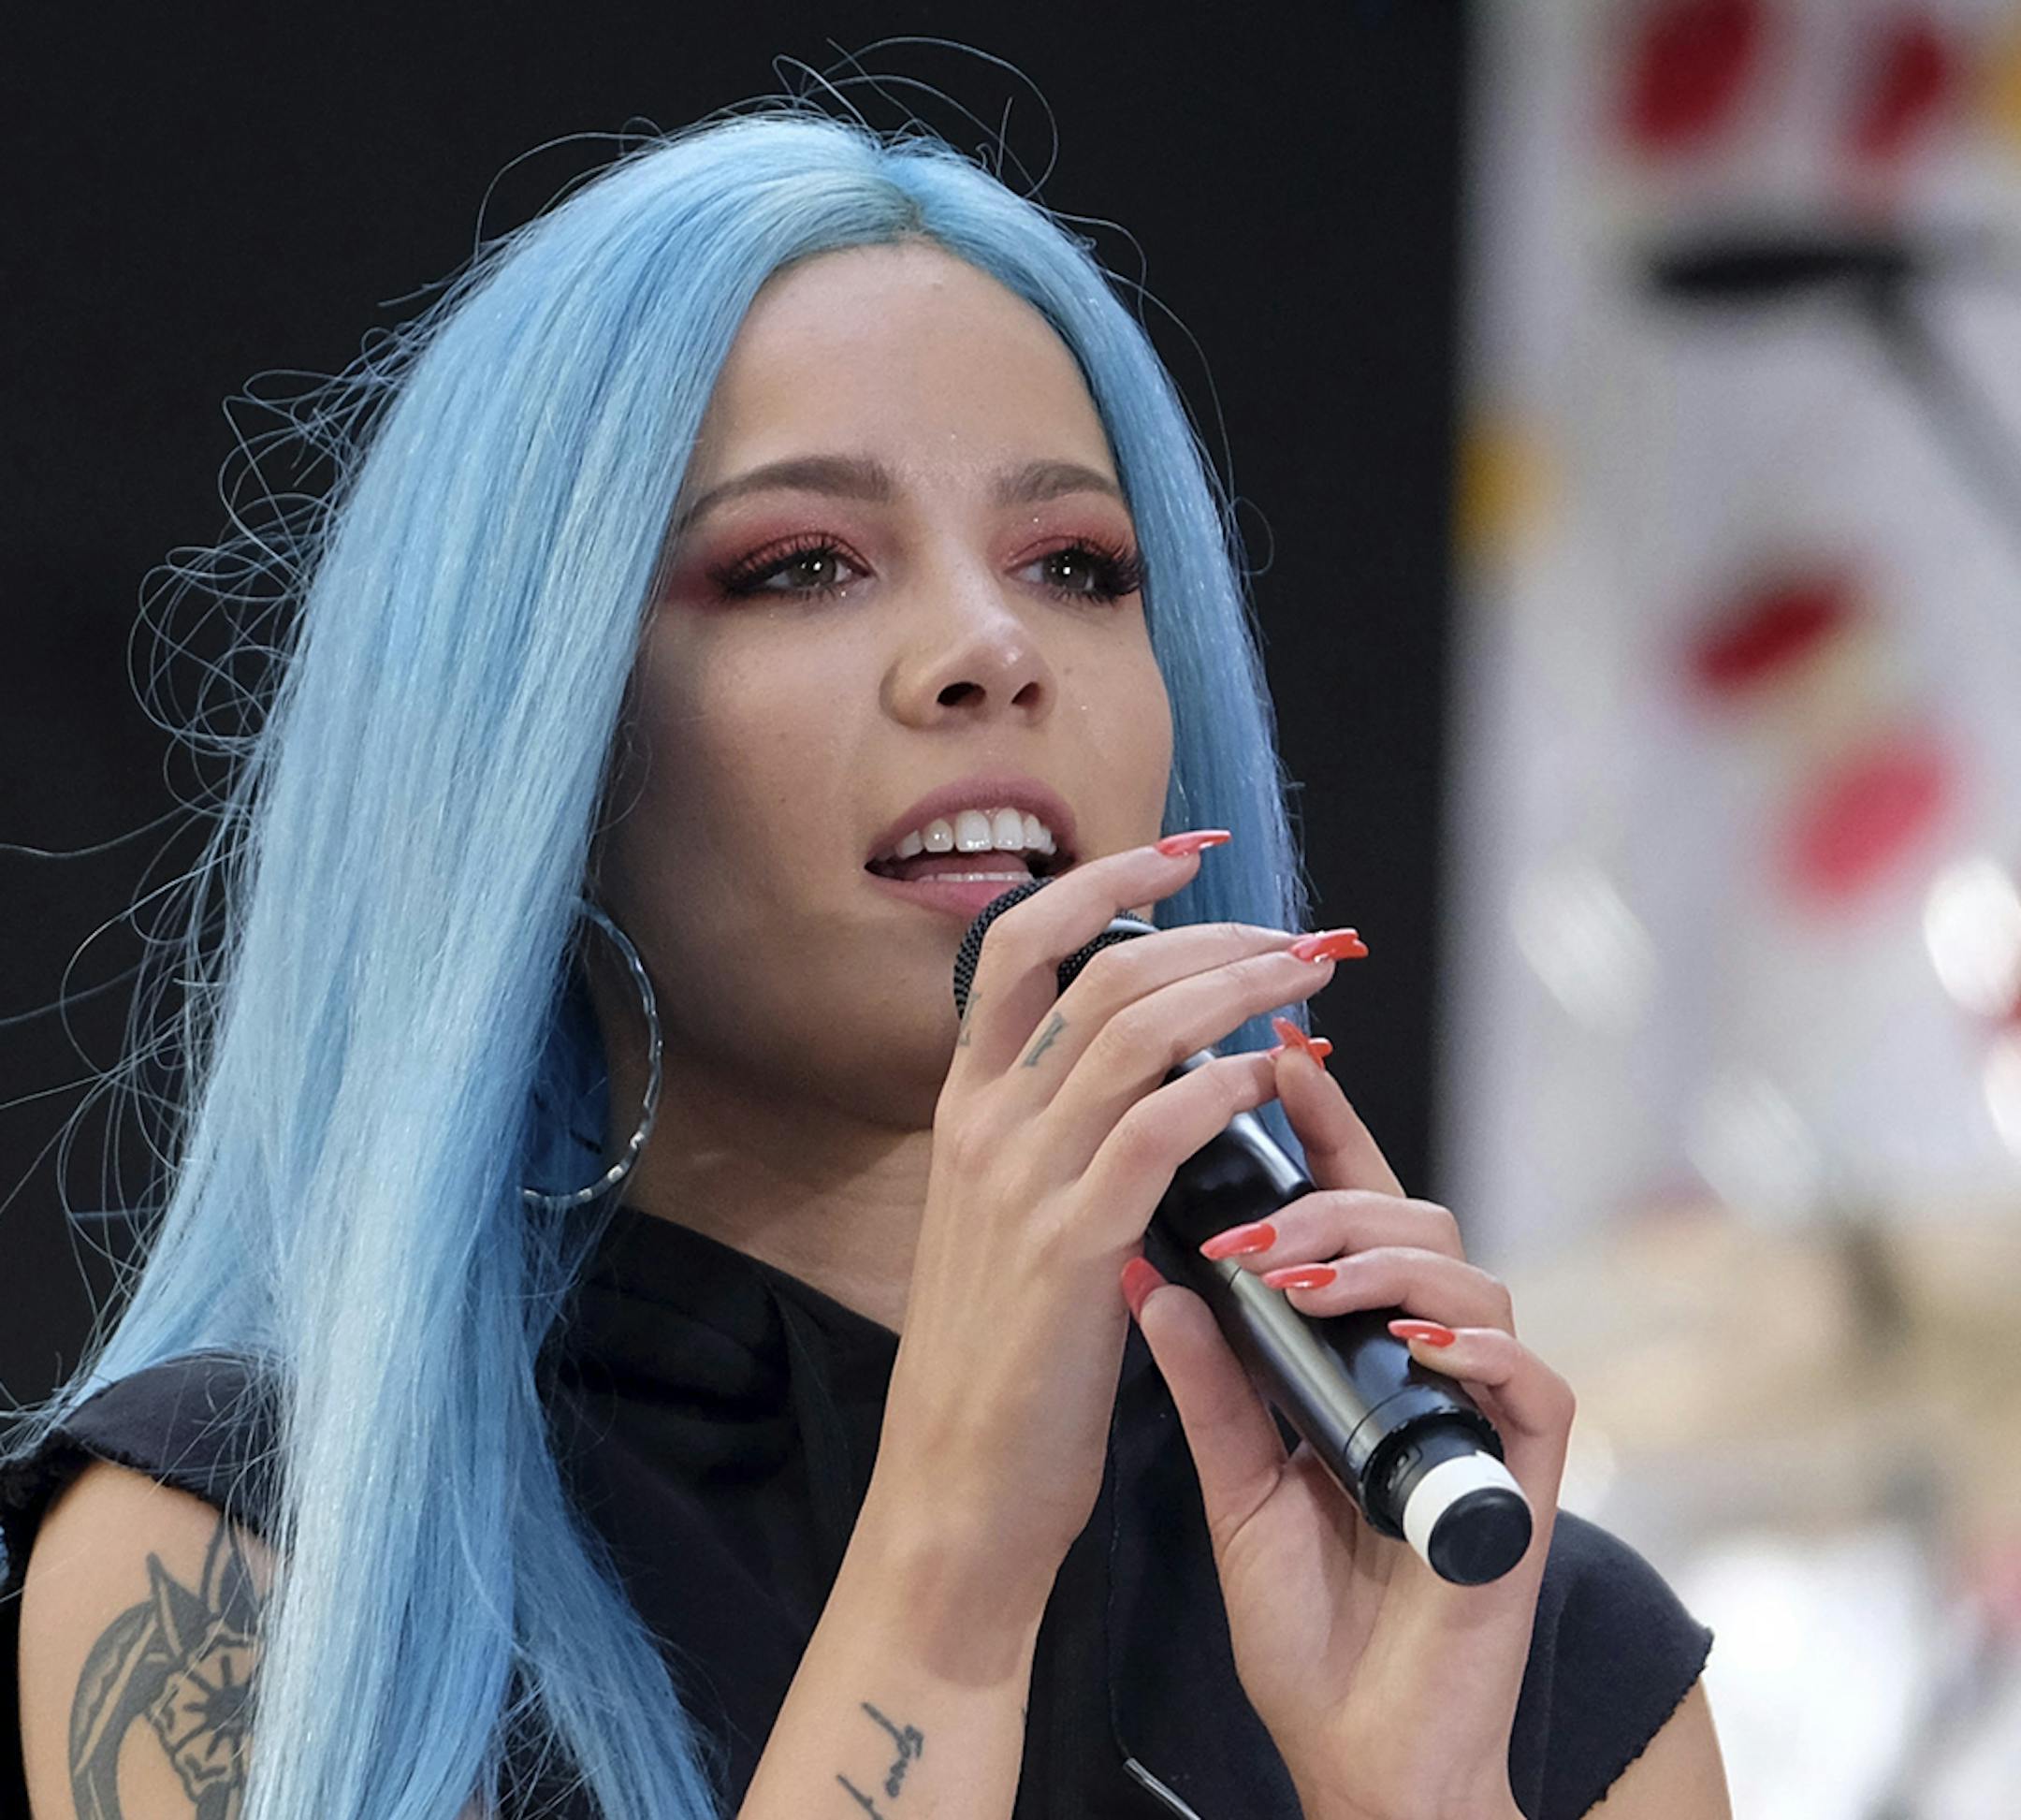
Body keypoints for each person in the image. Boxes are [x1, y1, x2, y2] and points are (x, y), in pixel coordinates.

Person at [0, 100, 1731, 1819]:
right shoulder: (251, 1563)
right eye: (801, 565)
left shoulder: (1532, 1643)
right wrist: (949, 1593)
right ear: (545, 752)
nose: (990, 647)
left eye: (1077, 564)